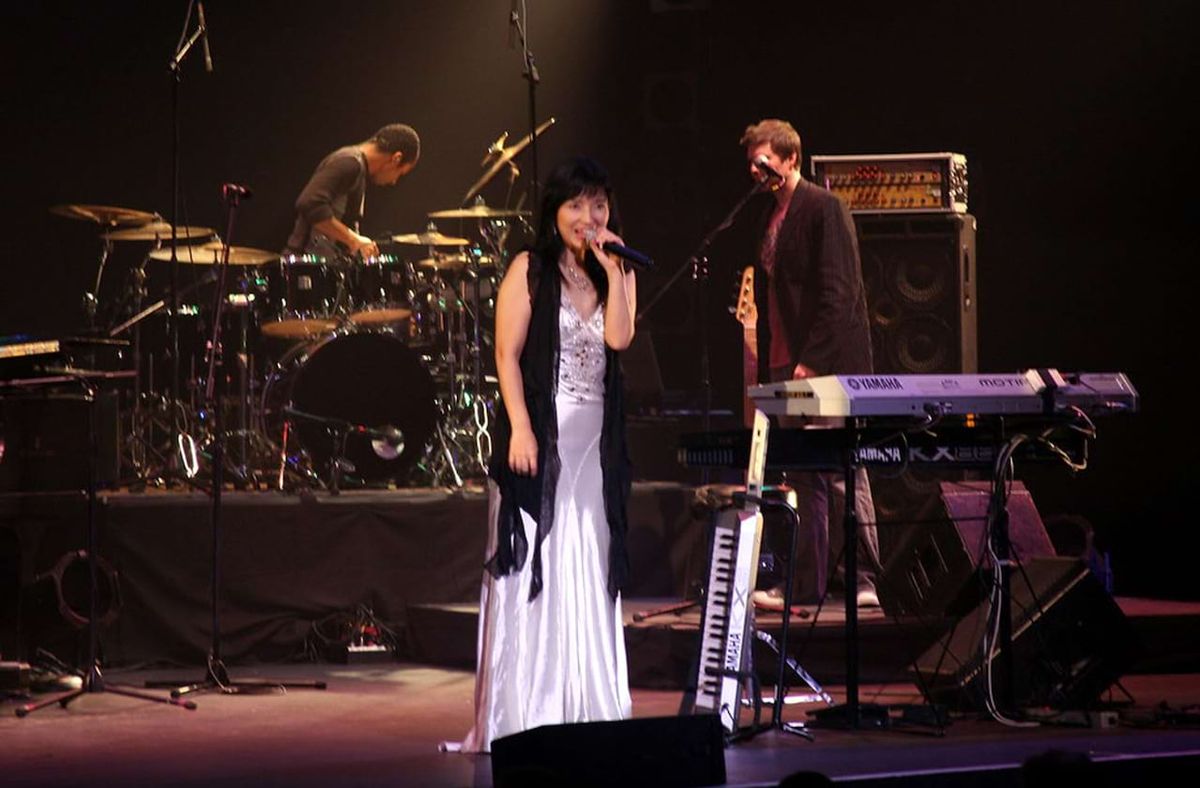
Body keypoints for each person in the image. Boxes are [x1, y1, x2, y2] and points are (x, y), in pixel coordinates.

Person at [458, 157, 638, 753]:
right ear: (554, 213)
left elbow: (619, 339)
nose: (589, 218)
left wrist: (615, 273)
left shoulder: (617, 270)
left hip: (595, 443)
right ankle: (528, 711)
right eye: (576, 206)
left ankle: (588, 704)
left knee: (588, 558)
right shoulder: (528, 269)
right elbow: (506, 356)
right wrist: (521, 429)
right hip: (543, 430)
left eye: (599, 206)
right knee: (539, 556)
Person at [739, 119, 883, 609]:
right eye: (752, 165)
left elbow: (839, 295)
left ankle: (862, 577)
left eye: (765, 162)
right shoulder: (769, 217)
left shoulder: (825, 208)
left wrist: (812, 361)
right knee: (804, 476)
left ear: (791, 158)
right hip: (786, 361)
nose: (758, 172)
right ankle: (808, 584)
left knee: (842, 470)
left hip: (824, 364)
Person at [283, 123, 420, 257]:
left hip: (322, 264)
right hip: (303, 266)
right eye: (400, 173)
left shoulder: (359, 168)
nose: (394, 181)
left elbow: (347, 222)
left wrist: (357, 246)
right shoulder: (349, 163)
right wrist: (353, 239)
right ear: (396, 158)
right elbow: (309, 203)